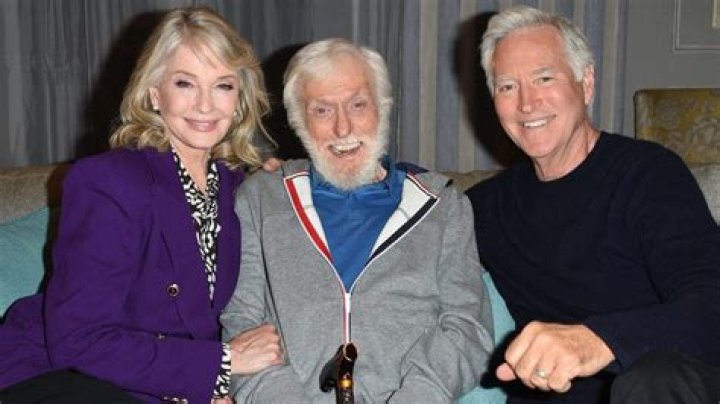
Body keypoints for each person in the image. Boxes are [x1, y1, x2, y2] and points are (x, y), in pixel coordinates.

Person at [0, 7, 283, 403]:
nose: (205, 105)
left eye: (222, 86)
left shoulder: (241, 190)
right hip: (54, 374)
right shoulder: (109, 181)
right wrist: (220, 365)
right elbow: (78, 339)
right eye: (185, 83)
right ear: (154, 93)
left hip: (153, 385)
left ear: (239, 99)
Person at [466, 5, 720, 403]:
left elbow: (711, 306)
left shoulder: (648, 175)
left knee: (651, 379)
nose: (527, 103)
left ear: (586, 84)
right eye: (507, 87)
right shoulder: (484, 208)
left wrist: (598, 340)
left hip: (655, 388)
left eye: (544, 78)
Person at [220, 38, 493, 403]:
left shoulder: (444, 207)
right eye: (322, 110)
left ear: (382, 108)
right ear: (298, 121)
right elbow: (241, 323)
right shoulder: (260, 200)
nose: (343, 128)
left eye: (358, 105)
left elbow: (467, 329)